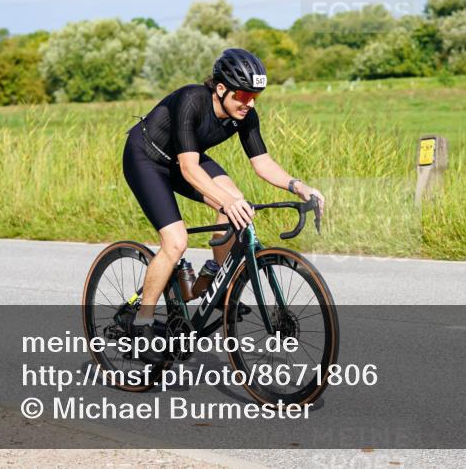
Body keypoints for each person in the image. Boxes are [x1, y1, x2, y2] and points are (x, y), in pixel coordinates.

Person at [122, 48, 325, 353]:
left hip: (182, 158)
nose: (250, 102)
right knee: (175, 242)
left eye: (256, 95)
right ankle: (141, 323)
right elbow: (190, 170)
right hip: (146, 158)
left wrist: (299, 186)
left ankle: (216, 279)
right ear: (220, 88)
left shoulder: (245, 114)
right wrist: (223, 202)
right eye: (243, 95)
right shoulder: (192, 100)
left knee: (236, 201)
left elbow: (263, 163)